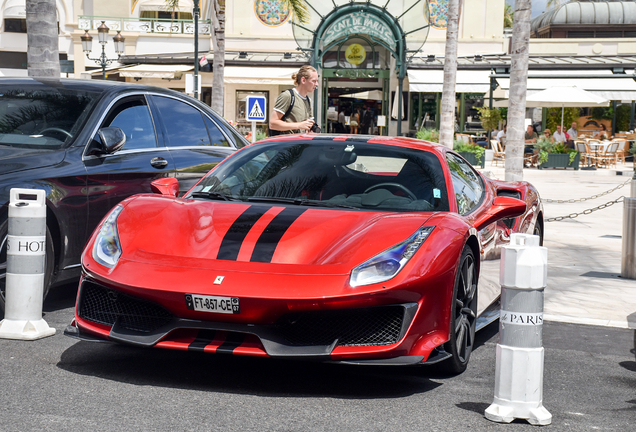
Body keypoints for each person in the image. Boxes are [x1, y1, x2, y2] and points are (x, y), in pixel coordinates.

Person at [269, 65, 319, 134]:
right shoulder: (288, 96)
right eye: (314, 81)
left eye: (317, 81)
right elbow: (273, 124)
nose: (317, 84)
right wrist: (299, 125)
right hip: (286, 143)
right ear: (303, 80)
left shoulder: (308, 100)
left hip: (300, 143)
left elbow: (307, 126)